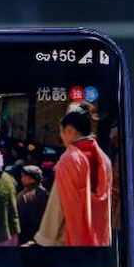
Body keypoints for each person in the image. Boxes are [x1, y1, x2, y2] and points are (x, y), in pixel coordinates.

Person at [35, 103, 112, 247]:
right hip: (99, 238)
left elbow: (56, 206)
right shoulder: (105, 160)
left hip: (70, 239)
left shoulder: (69, 160)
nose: (61, 136)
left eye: (61, 132)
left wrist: (45, 238)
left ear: (69, 131)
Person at [16, 165, 49, 244]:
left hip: (27, 237)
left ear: (31, 179)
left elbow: (20, 218)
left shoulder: (23, 196)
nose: (21, 179)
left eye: (23, 176)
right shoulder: (46, 193)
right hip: (44, 236)